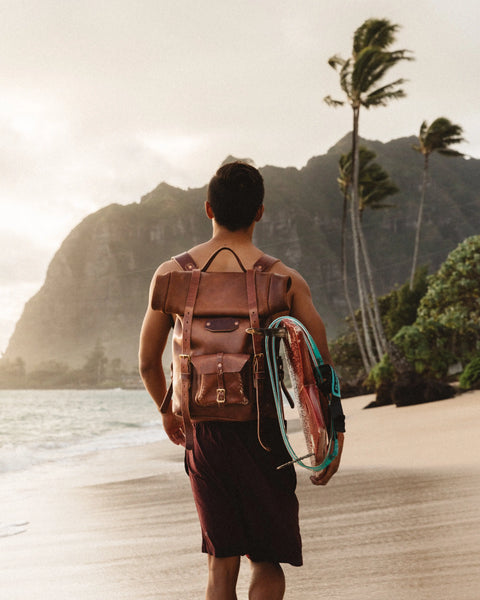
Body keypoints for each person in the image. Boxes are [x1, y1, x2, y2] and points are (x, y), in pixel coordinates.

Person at [139, 161, 345, 600]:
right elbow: (320, 368)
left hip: (205, 433)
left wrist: (167, 413)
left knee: (221, 562)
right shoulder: (285, 279)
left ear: (208, 208)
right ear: (260, 212)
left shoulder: (169, 275)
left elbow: (147, 363)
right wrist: (331, 440)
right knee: (266, 559)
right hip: (264, 433)